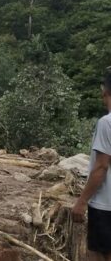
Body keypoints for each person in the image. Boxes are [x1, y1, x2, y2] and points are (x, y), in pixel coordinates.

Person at [72, 69, 111, 261]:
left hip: (105, 205)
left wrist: (81, 202)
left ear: (104, 91)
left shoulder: (106, 123)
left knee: (99, 255)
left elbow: (101, 167)